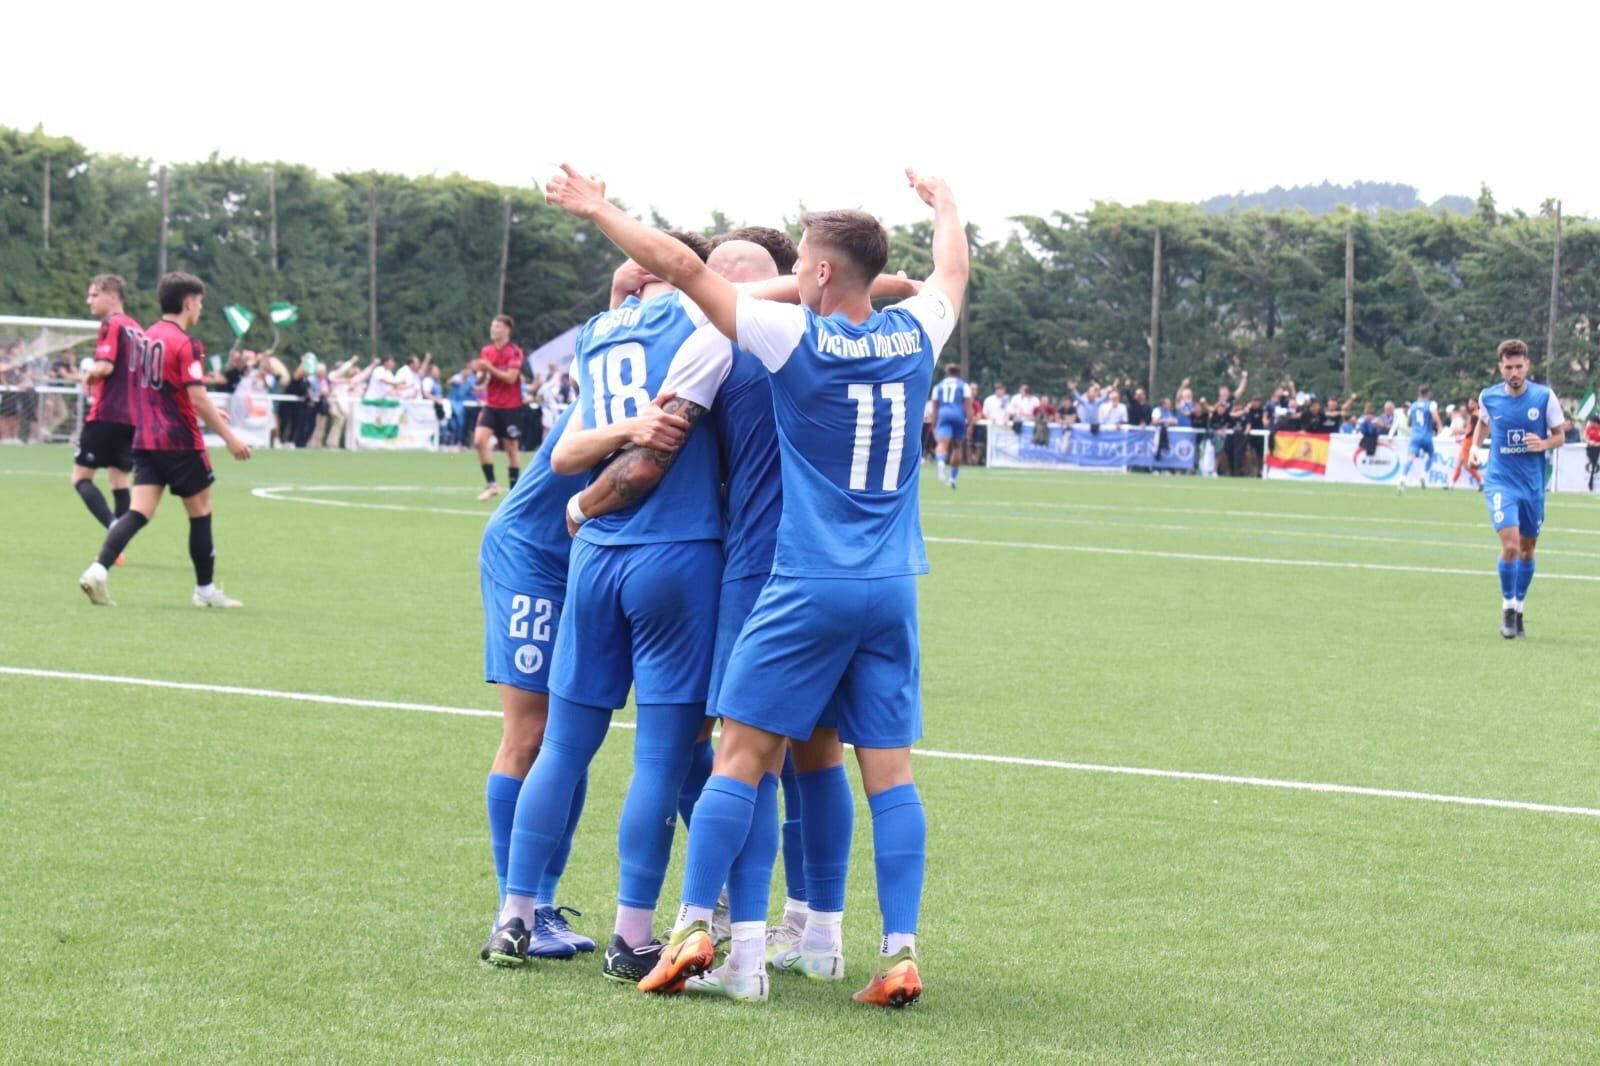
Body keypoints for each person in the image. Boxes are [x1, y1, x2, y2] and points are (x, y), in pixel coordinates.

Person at [546, 164, 964, 1009]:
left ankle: (712, 941)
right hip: (894, 588)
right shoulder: (918, 331)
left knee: (738, 760)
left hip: (805, 581)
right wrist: (949, 206)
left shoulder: (795, 339)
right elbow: (951, 270)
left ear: (814, 273)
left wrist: (599, 210)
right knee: (889, 775)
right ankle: (897, 951)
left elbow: (684, 268)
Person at [483, 230, 732, 977]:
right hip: (674, 552)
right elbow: (783, 299)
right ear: (693, 271)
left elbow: (563, 455)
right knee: (660, 755)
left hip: (591, 553)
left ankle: (515, 916)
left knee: (562, 746)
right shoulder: (702, 319)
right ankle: (631, 936)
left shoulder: (597, 333)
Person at [476, 401, 599, 964]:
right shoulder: (619, 364)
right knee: (531, 733)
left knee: (570, 739)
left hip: (582, 561)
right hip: (530, 556)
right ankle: (513, 910)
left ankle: (541, 906)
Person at [78, 272, 251, 607]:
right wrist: (229, 438)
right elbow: (196, 397)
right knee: (201, 511)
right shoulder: (186, 344)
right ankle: (204, 591)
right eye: (199, 303)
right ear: (188, 303)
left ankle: (98, 570)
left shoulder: (146, 337)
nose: (200, 309)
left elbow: (170, 389)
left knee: (139, 511)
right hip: (182, 442)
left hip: (145, 439)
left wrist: (210, 410)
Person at [1474, 339, 1566, 639]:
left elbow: (1559, 436)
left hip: (1532, 485)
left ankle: (1520, 607)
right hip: (1501, 482)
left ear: (1527, 365)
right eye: (1508, 367)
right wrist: (1475, 448)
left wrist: (1544, 444)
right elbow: (1483, 423)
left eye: (1518, 366)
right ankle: (1508, 609)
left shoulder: (1543, 397)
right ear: (1500, 367)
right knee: (1511, 545)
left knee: (1527, 550)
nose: (1514, 372)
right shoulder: (1489, 397)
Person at [72, 274, 139, 543]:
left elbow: (106, 366)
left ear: (113, 296)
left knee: (80, 478)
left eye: (94, 295)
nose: (89, 300)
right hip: (133, 417)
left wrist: (89, 373)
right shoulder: (137, 328)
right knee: (119, 481)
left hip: (108, 413)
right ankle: (119, 546)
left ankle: (115, 531)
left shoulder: (112, 323)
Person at [474, 316, 526, 501]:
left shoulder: (514, 352)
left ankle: (513, 493)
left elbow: (511, 378)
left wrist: (489, 368)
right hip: (491, 404)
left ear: (507, 330)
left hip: (511, 406)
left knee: (511, 448)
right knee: (479, 441)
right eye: (492, 326)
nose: (493, 329)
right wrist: (480, 374)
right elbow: (481, 377)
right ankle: (492, 485)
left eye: (497, 326)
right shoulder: (486, 351)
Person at [931, 363, 970, 489]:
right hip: (959, 415)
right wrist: (970, 423)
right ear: (958, 373)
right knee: (957, 447)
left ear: (946, 373)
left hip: (944, 415)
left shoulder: (938, 386)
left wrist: (933, 424)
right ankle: (953, 478)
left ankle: (941, 463)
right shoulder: (963, 385)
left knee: (942, 444)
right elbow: (968, 407)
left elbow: (934, 408)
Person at [1398, 385, 1440, 493]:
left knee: (1410, 458)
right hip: (1426, 436)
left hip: (1415, 436)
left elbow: (1409, 422)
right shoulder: (1431, 404)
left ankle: (1403, 478)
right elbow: (1435, 418)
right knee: (1432, 455)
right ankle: (1424, 475)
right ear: (1428, 393)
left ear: (1419, 393)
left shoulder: (1413, 405)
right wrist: (1439, 427)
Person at [1451, 396, 1484, 489]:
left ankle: (1452, 483)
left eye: (1471, 403)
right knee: (1465, 465)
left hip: (1469, 441)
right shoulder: (1476, 414)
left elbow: (1471, 431)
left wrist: (1462, 434)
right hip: (1469, 440)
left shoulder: (1475, 415)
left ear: (1476, 404)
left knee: (1462, 463)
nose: (1469, 405)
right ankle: (1481, 481)